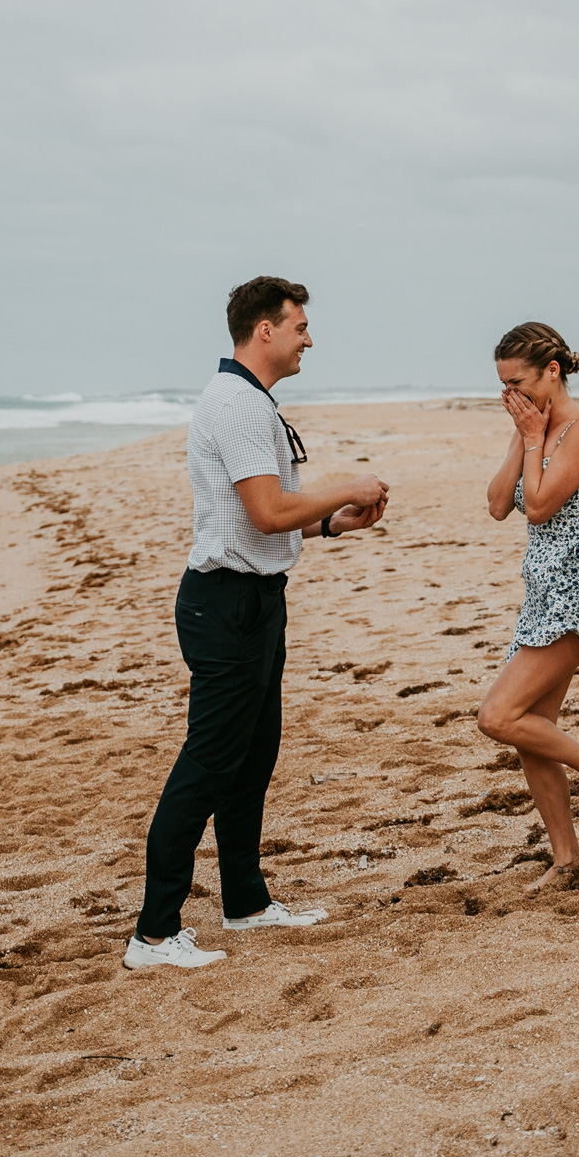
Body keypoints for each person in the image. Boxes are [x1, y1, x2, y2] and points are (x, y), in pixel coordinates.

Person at [125, 277, 389, 971]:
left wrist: (333, 523)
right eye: (300, 325)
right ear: (264, 330)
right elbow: (268, 512)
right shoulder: (237, 404)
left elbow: (265, 523)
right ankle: (153, 934)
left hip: (255, 598)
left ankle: (245, 904)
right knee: (207, 766)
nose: (310, 338)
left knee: (252, 760)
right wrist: (348, 488)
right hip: (225, 605)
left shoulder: (250, 401)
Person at [477, 321, 579, 891]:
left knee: (498, 717)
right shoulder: (533, 426)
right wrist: (523, 433)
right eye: (503, 388)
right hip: (542, 594)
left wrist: (531, 440)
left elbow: (542, 506)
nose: (512, 398)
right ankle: (567, 858)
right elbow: (500, 504)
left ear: (553, 370)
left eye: (519, 384)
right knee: (531, 728)